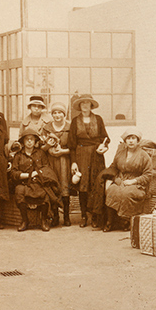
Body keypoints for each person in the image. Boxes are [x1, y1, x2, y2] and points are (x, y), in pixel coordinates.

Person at [67, 93, 109, 228]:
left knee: (96, 185)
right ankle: (84, 215)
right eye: (82, 103)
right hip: (81, 155)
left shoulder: (98, 119)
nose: (85, 105)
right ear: (79, 106)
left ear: (91, 105)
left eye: (87, 103)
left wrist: (104, 147)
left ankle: (95, 215)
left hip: (96, 155)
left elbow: (105, 138)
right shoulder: (75, 121)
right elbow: (71, 144)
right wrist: (73, 162)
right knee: (83, 187)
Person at [103, 128, 154, 231]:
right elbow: (114, 167)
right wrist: (113, 179)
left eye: (133, 138)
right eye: (128, 139)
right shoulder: (120, 153)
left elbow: (148, 175)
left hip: (137, 184)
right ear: (125, 141)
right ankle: (110, 221)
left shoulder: (144, 155)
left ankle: (125, 221)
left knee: (126, 194)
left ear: (137, 141)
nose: (131, 141)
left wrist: (133, 181)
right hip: (121, 180)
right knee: (111, 191)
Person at [9, 131, 59, 232]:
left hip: (38, 181)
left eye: (32, 139)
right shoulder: (19, 155)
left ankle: (44, 220)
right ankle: (25, 221)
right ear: (23, 141)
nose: (29, 142)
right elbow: (14, 173)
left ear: (35, 141)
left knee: (45, 193)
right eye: (27, 139)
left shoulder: (40, 153)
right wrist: (27, 175)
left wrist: (38, 174)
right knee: (19, 192)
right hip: (24, 182)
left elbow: (46, 168)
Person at [43, 103, 71, 226]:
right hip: (51, 160)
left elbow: (74, 147)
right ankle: (55, 216)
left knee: (64, 187)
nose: (57, 115)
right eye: (54, 113)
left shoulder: (70, 127)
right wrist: (49, 148)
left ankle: (66, 216)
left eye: (60, 112)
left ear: (64, 114)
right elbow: (42, 147)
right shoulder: (47, 128)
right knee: (52, 186)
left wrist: (63, 151)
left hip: (64, 160)